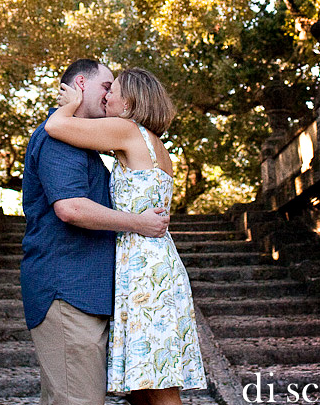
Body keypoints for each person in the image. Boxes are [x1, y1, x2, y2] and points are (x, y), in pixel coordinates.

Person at [46, 67, 206, 405]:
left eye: (112, 90)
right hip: (152, 261)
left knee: (159, 385)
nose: (106, 96)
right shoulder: (153, 143)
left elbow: (56, 127)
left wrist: (71, 102)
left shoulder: (127, 129)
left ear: (130, 100)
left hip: (145, 269)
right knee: (145, 382)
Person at [20, 58, 170, 405]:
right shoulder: (59, 139)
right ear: (81, 85)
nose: (108, 97)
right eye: (106, 87)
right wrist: (139, 222)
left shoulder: (89, 146)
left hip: (91, 293)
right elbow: (70, 208)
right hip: (67, 291)